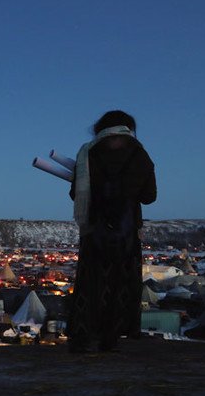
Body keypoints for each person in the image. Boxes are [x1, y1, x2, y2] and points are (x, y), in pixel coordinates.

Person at [67, 110, 157, 353]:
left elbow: (76, 193)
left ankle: (83, 337)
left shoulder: (89, 153)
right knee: (121, 284)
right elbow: (150, 197)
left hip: (94, 229)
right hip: (126, 231)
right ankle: (112, 337)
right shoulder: (139, 154)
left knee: (90, 283)